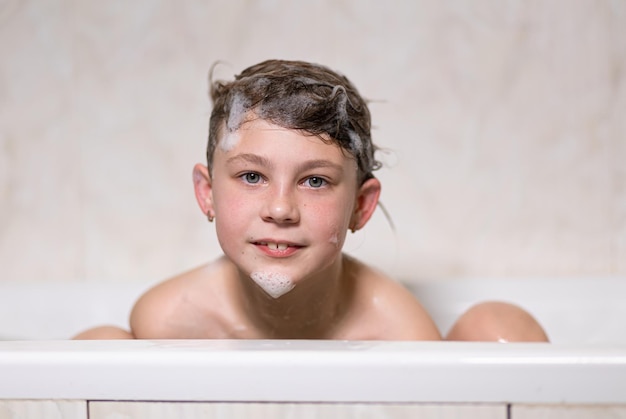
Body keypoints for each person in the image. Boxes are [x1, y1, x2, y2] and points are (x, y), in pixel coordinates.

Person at [74, 59, 548, 342]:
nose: (280, 209)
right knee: (98, 348)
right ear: (207, 194)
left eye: (315, 182)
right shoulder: (170, 321)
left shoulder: (397, 333)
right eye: (252, 175)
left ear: (360, 207)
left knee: (502, 328)